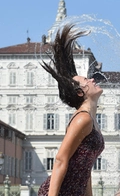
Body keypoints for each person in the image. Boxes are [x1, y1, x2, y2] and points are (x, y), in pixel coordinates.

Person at [38, 24, 104, 196]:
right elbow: (60, 159)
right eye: (86, 80)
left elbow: (86, 166)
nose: (91, 79)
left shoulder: (91, 120)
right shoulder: (83, 119)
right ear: (81, 92)